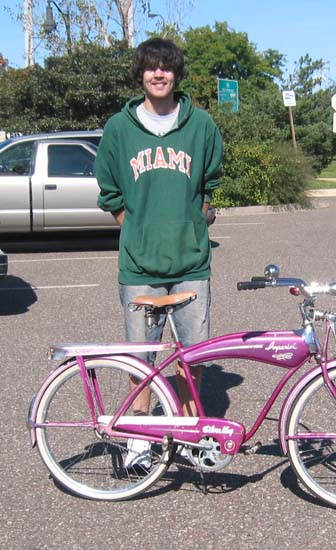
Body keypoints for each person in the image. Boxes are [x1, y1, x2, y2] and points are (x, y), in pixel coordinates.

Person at [95, 38, 222, 467]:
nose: (159, 74)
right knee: (140, 358)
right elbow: (110, 192)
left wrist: (195, 225)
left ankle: (188, 433)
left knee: (194, 357)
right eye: (151, 68)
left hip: (191, 265)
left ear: (176, 73)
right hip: (139, 267)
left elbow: (211, 186)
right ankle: (140, 435)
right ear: (141, 74)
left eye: (167, 67)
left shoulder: (200, 124)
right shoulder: (119, 128)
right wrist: (134, 232)